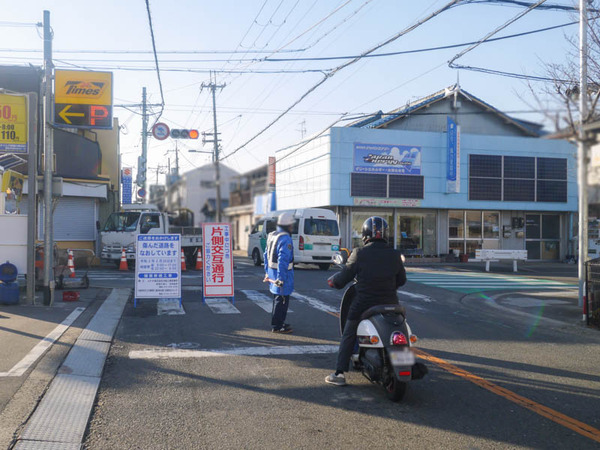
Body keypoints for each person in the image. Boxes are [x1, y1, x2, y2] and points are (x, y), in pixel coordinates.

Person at [325, 216, 406, 386]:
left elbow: (344, 276)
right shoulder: (395, 254)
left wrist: (334, 282)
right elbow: (402, 280)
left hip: (364, 304)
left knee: (349, 331)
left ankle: (339, 373)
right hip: (391, 303)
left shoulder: (359, 253)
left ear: (365, 234)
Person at [263, 211, 295, 333]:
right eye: (291, 225)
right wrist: (281, 278)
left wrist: (267, 271)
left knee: (277, 299)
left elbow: (265, 254)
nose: (292, 227)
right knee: (282, 301)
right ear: (287, 225)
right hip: (282, 275)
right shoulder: (285, 238)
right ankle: (277, 326)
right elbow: (283, 259)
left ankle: (279, 322)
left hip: (272, 273)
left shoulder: (272, 235)